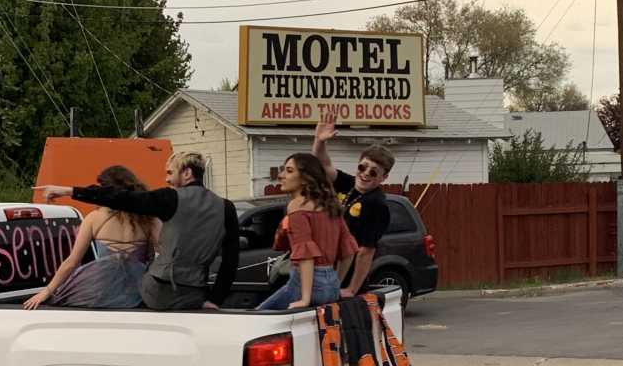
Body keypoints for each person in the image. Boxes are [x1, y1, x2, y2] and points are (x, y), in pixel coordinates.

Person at [37, 151, 239, 311]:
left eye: (170, 173)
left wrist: (69, 191)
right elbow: (231, 261)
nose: (167, 179)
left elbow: (122, 198)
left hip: (155, 292)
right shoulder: (226, 207)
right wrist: (215, 299)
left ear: (186, 173)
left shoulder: (170, 198)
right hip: (196, 292)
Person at [24, 165, 160, 310]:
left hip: (99, 292)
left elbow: (72, 262)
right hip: (138, 294)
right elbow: (164, 255)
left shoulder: (94, 219)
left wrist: (47, 291)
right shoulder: (149, 219)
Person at [312, 107, 396, 298]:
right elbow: (322, 165)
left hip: (345, 281)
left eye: (373, 172)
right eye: (362, 167)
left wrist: (351, 289)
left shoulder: (377, 204)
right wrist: (319, 140)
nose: (365, 174)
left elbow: (366, 252)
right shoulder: (348, 183)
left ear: (384, 177)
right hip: (326, 270)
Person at [257, 152, 357, 311]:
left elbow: (306, 255)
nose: (281, 175)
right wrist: (335, 283)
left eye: (289, 171)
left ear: (305, 179)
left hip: (306, 286)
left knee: (259, 318)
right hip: (331, 284)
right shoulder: (330, 205)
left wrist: (305, 299)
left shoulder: (297, 205)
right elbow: (349, 250)